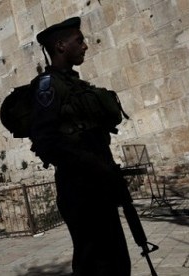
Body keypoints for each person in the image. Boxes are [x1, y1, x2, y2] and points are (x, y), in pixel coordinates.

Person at [30, 17, 131, 275]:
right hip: (80, 191)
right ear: (61, 46)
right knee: (95, 265)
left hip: (100, 185)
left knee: (117, 262)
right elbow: (45, 141)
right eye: (79, 40)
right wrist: (92, 165)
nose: (85, 46)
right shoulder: (48, 87)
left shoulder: (75, 85)